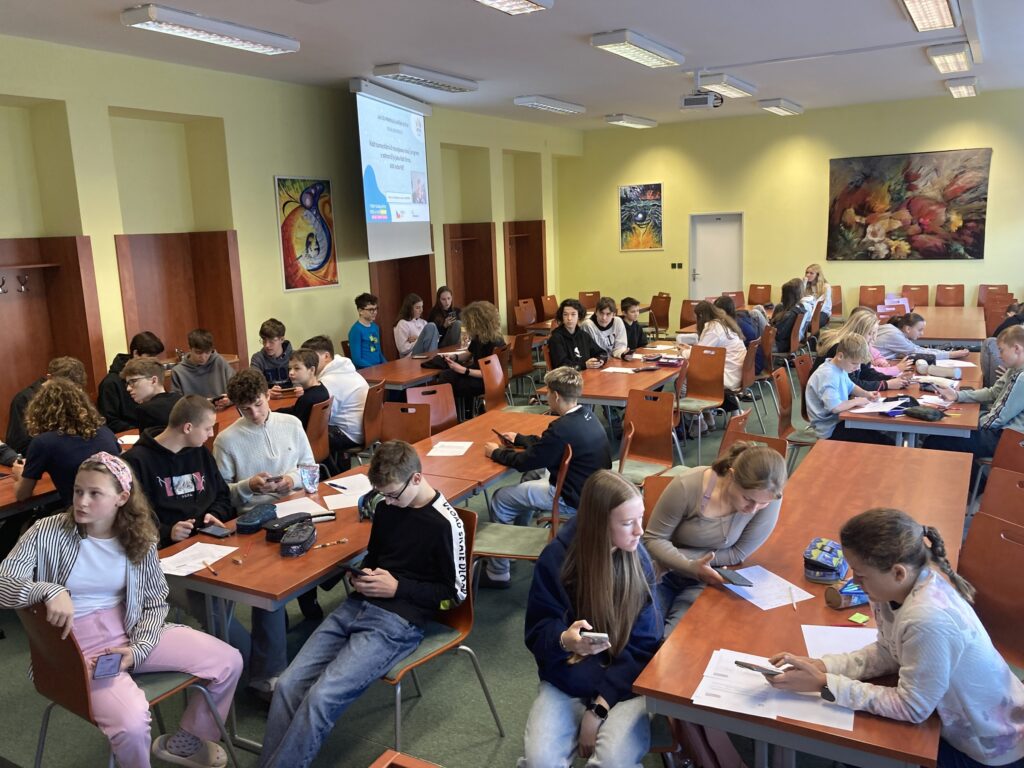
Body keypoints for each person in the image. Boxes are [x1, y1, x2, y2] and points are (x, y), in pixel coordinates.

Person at [0, 452, 242, 768]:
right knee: (132, 724)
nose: (81, 502)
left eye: (94, 493)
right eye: (78, 491)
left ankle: (187, 743)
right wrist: (47, 590)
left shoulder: (140, 536)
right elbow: (3, 582)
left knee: (228, 661)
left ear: (122, 498)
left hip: (130, 628)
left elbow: (154, 602)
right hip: (73, 646)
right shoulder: (48, 531)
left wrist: (138, 649)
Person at [258, 441, 467, 768]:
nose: (388, 502)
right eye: (382, 495)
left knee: (321, 698)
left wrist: (398, 587)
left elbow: (454, 595)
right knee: (286, 685)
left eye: (393, 494)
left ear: (416, 478)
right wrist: (363, 574)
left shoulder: (445, 523)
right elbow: (376, 556)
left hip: (398, 622)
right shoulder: (386, 506)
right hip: (357, 606)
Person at [767, 507, 1024, 768]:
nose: (854, 581)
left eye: (860, 574)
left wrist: (824, 683)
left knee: (863, 744)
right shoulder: (892, 589)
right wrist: (824, 666)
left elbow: (912, 707)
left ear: (898, 572)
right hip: (955, 720)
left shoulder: (927, 620)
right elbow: (889, 651)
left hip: (987, 749)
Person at [520, 470, 660, 768]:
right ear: (599, 524)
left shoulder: (638, 559)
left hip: (624, 685)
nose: (640, 531)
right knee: (540, 761)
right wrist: (564, 640)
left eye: (640, 518)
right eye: (628, 523)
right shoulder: (556, 559)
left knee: (612, 762)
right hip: (569, 679)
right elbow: (537, 633)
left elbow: (645, 646)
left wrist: (598, 710)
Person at [212, 369, 315, 697]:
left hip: (297, 505)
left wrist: (291, 480)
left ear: (268, 395)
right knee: (268, 581)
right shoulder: (226, 440)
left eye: (258, 404)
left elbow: (310, 468)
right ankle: (269, 670)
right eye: (246, 409)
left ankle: (312, 616)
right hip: (253, 520)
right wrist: (248, 485)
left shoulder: (291, 423)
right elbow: (221, 494)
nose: (255, 414)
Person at [481, 366, 612, 589]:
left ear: (556, 396)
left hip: (570, 497)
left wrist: (495, 453)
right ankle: (513, 544)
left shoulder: (561, 428)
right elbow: (548, 447)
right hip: (591, 491)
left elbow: (526, 461)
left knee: (501, 498)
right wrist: (520, 439)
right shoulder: (587, 415)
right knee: (531, 478)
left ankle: (497, 572)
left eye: (548, 392)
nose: (546, 397)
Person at [643, 442, 787, 635]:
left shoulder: (770, 497)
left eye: (763, 503)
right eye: (747, 498)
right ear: (731, 476)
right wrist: (688, 565)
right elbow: (653, 539)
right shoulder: (687, 485)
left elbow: (737, 554)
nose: (753, 509)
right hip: (663, 571)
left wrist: (690, 563)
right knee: (646, 634)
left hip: (709, 575)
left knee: (678, 637)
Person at [123, 395, 234, 549]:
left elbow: (223, 495)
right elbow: (130, 518)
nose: (211, 434)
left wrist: (215, 514)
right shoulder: (135, 462)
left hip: (208, 539)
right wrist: (167, 532)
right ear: (188, 428)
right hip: (166, 548)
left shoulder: (200, 452)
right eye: (207, 428)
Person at [926, 325, 1024, 470]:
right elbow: (993, 393)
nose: (999, 355)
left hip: (1010, 439)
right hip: (1005, 432)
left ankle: (976, 483)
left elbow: (997, 418)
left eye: (1001, 350)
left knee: (936, 441)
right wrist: (957, 395)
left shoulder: (1021, 377)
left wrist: (970, 424)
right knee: (946, 434)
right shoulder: (1015, 369)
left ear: (1016, 348)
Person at [13, 377, 120, 507]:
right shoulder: (105, 432)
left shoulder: (43, 443)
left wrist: (20, 474)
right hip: (116, 508)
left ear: (40, 410)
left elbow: (22, 495)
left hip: (82, 512)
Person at [804, 333, 890, 443]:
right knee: (882, 441)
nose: (857, 368)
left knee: (878, 434)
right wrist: (857, 401)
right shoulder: (828, 375)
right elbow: (835, 407)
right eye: (854, 363)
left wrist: (867, 394)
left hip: (838, 421)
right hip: (829, 430)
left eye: (859, 364)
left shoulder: (839, 367)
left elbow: (851, 386)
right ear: (840, 356)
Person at [302, 335, 368, 460]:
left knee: (300, 433)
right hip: (364, 430)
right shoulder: (345, 369)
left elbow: (320, 419)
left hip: (348, 434)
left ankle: (325, 470)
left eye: (312, 357)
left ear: (326, 356)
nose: (307, 362)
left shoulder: (329, 381)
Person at [6, 355, 87, 457]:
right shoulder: (24, 399)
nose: (69, 393)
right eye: (64, 387)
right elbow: (19, 445)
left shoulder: (75, 396)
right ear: (49, 378)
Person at [814, 310, 910, 392]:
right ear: (858, 332)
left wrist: (892, 379)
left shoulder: (857, 345)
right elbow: (851, 384)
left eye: (875, 333)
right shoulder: (842, 348)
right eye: (870, 334)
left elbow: (866, 372)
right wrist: (886, 384)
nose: (874, 338)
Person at [683, 301, 747, 423]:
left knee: (685, 380)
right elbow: (705, 350)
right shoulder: (723, 323)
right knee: (699, 371)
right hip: (738, 372)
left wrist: (683, 352)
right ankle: (708, 416)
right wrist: (690, 350)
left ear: (700, 316)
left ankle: (699, 421)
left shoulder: (713, 329)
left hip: (728, 376)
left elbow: (699, 354)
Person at [439, 300, 507, 413]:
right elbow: (469, 353)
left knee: (448, 379)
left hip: (486, 380)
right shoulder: (479, 337)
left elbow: (490, 372)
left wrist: (464, 370)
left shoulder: (494, 342)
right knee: (446, 375)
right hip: (479, 375)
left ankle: (454, 413)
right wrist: (455, 357)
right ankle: (461, 412)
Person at [98, 331, 165, 433]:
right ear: (136, 354)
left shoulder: (150, 374)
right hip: (128, 434)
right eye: (150, 356)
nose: (154, 361)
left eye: (156, 356)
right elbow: (110, 421)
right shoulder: (110, 383)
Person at [170, 328, 235, 401]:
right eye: (198, 352)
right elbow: (176, 402)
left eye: (207, 352)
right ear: (190, 348)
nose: (203, 357)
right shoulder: (178, 371)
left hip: (221, 406)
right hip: (194, 408)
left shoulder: (219, 361)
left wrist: (230, 400)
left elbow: (236, 389)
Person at [873, 312, 970, 361]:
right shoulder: (894, 335)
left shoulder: (891, 328)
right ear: (908, 329)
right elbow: (919, 352)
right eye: (920, 330)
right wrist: (951, 354)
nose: (922, 333)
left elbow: (916, 349)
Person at [121, 357, 183, 430]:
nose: (128, 388)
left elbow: (149, 438)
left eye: (133, 381)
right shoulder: (180, 399)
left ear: (154, 380)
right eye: (128, 383)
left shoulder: (146, 410)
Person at [277, 347, 330, 430]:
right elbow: (295, 410)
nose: (291, 373)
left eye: (297, 368)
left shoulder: (307, 399)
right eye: (290, 368)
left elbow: (296, 426)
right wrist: (275, 412)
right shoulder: (321, 388)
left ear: (312, 370)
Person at [547, 298, 604, 371]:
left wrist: (600, 360)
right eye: (565, 315)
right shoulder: (556, 338)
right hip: (567, 376)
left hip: (586, 373)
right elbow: (561, 365)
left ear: (579, 316)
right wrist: (584, 365)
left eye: (573, 314)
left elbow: (601, 352)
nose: (569, 318)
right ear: (562, 317)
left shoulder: (583, 335)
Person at [393, 292, 440, 358]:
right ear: (409, 309)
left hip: (426, 352)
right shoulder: (402, 324)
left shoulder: (423, 322)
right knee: (431, 326)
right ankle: (432, 359)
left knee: (432, 326)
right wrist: (419, 340)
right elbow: (403, 349)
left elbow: (434, 341)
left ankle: (432, 358)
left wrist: (418, 338)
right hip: (411, 357)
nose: (421, 310)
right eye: (417, 308)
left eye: (422, 307)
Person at [347, 293, 387, 369]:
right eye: (371, 310)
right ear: (360, 311)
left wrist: (387, 365)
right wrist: (374, 368)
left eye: (376, 309)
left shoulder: (375, 327)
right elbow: (357, 360)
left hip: (378, 368)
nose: (375, 312)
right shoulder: (356, 330)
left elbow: (378, 352)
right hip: (365, 370)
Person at [251, 318, 293, 389]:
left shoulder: (295, 356)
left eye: (271, 341)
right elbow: (255, 385)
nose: (267, 345)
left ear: (282, 339)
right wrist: (267, 392)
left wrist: (297, 389)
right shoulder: (257, 359)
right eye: (264, 340)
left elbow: (301, 382)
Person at [771, 278, 808, 353]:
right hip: (783, 343)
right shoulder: (800, 308)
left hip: (777, 345)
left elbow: (778, 335)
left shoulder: (790, 314)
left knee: (756, 312)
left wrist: (771, 326)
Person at [802, 262, 832, 327]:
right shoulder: (806, 285)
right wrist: (803, 284)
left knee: (811, 325)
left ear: (817, 275)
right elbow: (801, 299)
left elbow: (824, 305)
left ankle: (814, 334)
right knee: (798, 323)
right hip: (808, 310)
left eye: (811, 273)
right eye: (807, 272)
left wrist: (812, 312)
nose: (808, 275)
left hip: (822, 311)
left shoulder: (825, 287)